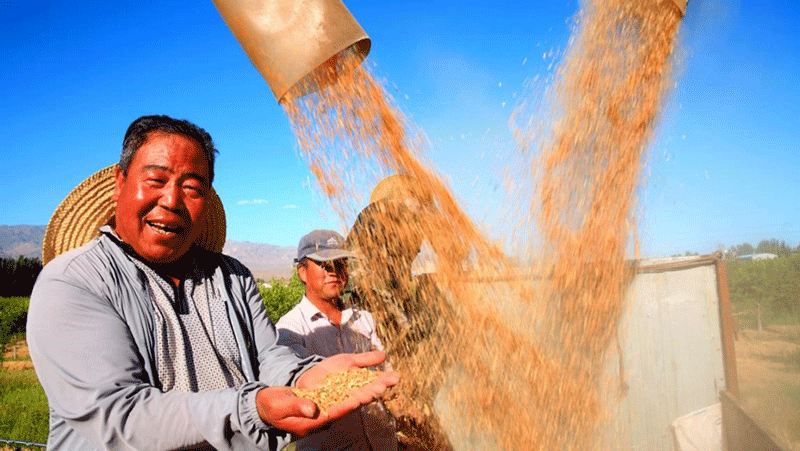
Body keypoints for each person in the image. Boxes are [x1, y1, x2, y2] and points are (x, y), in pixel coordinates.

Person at [26, 115, 398, 451]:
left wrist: (303, 377)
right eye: (156, 180)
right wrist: (251, 408)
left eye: (192, 188)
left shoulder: (231, 276)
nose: (171, 200)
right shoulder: (74, 282)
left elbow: (267, 356)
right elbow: (118, 414)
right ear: (120, 183)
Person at [276, 229, 398, 451]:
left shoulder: (364, 319)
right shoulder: (290, 329)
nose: (335, 272)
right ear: (302, 272)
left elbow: (384, 369)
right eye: (325, 265)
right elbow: (297, 390)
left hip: (381, 443)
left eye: (341, 264)